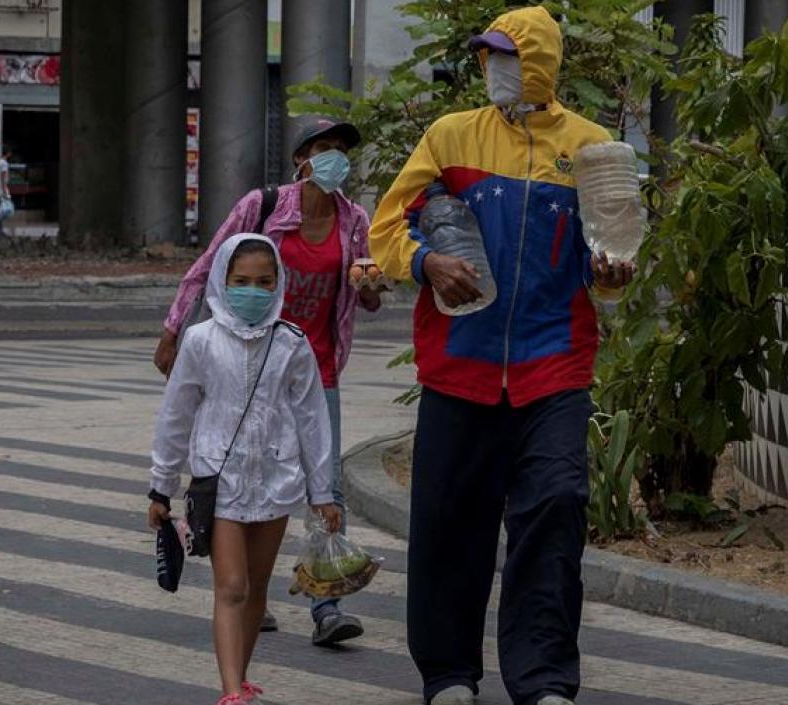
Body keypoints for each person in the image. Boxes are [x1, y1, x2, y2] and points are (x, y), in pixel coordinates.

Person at [368, 7, 635, 705]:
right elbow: (387, 226)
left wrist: (609, 276)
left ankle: (543, 678)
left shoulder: (590, 145)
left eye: (508, 56)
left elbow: (606, 253)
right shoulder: (449, 136)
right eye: (488, 57)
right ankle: (449, 673)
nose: (495, 69)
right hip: (461, 365)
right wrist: (426, 263)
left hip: (555, 366)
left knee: (556, 506)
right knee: (449, 520)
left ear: (540, 63)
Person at [154, 117, 380, 646]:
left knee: (328, 483)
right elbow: (211, 264)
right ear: (302, 156)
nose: (335, 160)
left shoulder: (354, 220)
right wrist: (172, 329)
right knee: (248, 472)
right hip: (249, 360)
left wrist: (370, 286)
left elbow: (366, 297)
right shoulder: (264, 206)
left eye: (342, 151)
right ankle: (251, 594)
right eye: (325, 149)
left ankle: (328, 601)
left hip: (316, 365)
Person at [146, 233, 343, 705]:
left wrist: (323, 494)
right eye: (240, 281)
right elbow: (176, 414)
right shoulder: (200, 341)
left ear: (278, 284)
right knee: (231, 586)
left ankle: (242, 675)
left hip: (277, 481)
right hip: (221, 481)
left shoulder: (292, 344)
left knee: (255, 591)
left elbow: (313, 420)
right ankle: (232, 692)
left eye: (263, 281)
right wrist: (161, 486)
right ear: (222, 281)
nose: (251, 290)